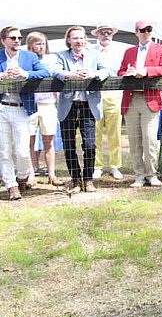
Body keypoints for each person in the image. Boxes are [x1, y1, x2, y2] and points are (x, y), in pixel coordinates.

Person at [55, 26, 110, 194]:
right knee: (69, 145)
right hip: (68, 105)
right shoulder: (61, 55)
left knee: (89, 145)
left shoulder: (94, 54)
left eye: (81, 38)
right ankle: (75, 180)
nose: (78, 41)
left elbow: (107, 70)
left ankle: (88, 179)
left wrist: (93, 74)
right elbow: (55, 71)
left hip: (88, 105)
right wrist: (71, 75)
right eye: (75, 38)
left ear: (85, 40)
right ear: (69, 40)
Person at [118, 20, 162, 188]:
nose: (146, 32)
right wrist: (129, 73)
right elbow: (120, 72)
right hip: (131, 99)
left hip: (151, 99)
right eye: (143, 30)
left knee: (150, 140)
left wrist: (146, 71)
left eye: (149, 29)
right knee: (134, 141)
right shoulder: (129, 51)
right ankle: (139, 175)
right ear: (136, 33)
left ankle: (152, 174)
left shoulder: (160, 49)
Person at [0, 26, 50, 201]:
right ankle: (11, 186)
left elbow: (45, 72)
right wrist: (1, 76)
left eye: (19, 38)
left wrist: (26, 73)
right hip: (2, 108)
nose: (16, 41)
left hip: (22, 108)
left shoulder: (29, 57)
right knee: (4, 151)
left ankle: (22, 177)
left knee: (22, 151)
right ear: (3, 40)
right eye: (12, 38)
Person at [25, 32, 64, 186]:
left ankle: (52, 174)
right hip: (30, 105)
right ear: (30, 46)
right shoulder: (25, 61)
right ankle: (32, 173)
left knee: (49, 141)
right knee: (30, 140)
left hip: (48, 104)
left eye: (43, 43)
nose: (41, 46)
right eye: (37, 43)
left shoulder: (52, 59)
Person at [90, 23, 125, 180]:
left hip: (113, 94)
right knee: (95, 131)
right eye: (102, 32)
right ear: (97, 35)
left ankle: (115, 165)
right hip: (95, 95)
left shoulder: (119, 51)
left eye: (109, 32)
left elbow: (118, 71)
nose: (106, 35)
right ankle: (97, 166)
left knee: (114, 132)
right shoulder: (90, 51)